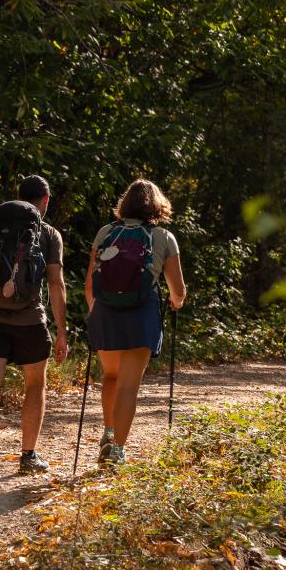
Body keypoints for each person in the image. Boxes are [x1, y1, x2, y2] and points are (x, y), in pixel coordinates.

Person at [0, 175, 68, 483]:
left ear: (18, 196)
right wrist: (62, 329)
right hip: (30, 321)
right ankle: (28, 456)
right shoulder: (48, 233)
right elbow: (56, 284)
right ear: (45, 200)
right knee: (35, 386)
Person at [84, 179, 186, 465]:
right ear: (158, 206)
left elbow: (91, 283)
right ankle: (117, 450)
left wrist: (96, 311)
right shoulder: (164, 238)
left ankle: (107, 432)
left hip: (106, 313)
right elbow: (177, 290)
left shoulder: (106, 232)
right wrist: (176, 302)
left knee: (111, 377)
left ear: (124, 203)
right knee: (129, 386)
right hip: (141, 316)